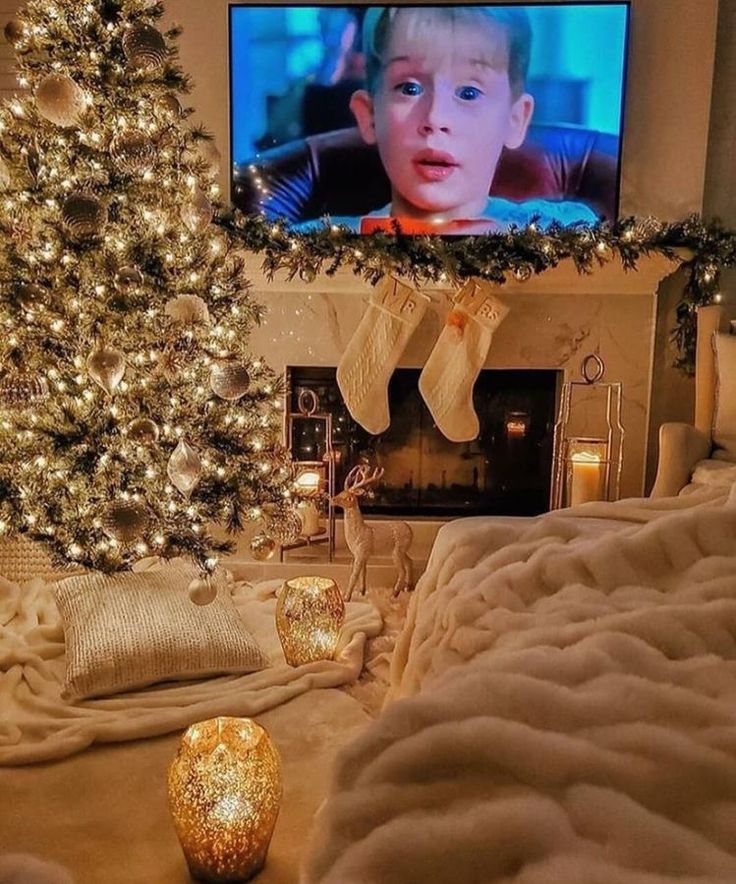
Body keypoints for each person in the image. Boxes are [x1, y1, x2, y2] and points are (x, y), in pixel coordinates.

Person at [301, 6, 598, 234]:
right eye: (409, 88)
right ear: (369, 116)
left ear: (515, 119)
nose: (435, 118)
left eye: (469, 92)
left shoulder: (563, 233)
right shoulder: (315, 247)